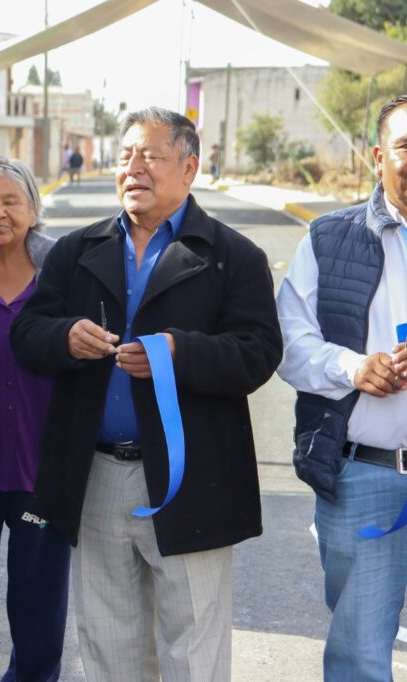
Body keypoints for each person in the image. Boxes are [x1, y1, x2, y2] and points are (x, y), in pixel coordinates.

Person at [11, 107, 282, 682]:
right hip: (98, 474)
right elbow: (27, 335)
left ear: (189, 167)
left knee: (193, 648)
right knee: (110, 643)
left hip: (193, 479)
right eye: (125, 156)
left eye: (151, 156)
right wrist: (66, 337)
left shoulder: (233, 256)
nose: (134, 168)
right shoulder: (76, 249)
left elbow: (258, 353)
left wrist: (179, 352)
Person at [276, 94, 407, 682]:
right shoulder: (329, 238)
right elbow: (289, 342)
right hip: (365, 477)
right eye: (406, 146)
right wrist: (354, 368)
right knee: (359, 656)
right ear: (379, 156)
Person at [0, 156, 70, 682]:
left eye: (10, 200)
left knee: (39, 601)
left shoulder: (64, 271)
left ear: (33, 208)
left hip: (41, 470)